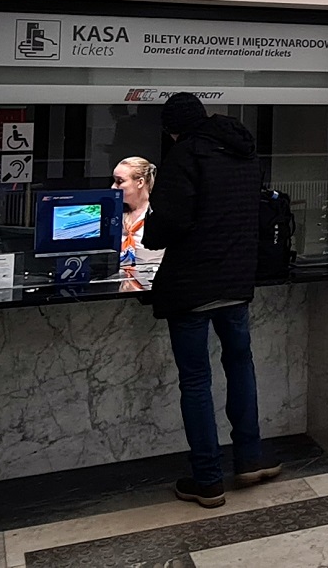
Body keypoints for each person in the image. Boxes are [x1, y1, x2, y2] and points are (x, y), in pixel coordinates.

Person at [143, 93, 277, 506]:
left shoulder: (185, 155)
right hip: (235, 280)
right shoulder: (243, 151)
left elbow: (171, 220)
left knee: (196, 379)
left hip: (192, 284)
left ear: (173, 129)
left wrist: (148, 234)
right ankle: (250, 459)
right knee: (240, 365)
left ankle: (207, 480)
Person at [111, 156, 163, 289]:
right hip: (118, 284)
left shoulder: (159, 213)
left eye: (119, 181)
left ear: (140, 182)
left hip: (152, 285)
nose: (113, 187)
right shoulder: (114, 214)